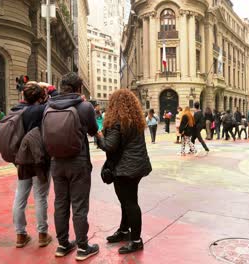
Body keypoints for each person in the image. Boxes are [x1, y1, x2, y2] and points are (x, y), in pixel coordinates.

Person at [44, 73, 99, 260]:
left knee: (60, 203)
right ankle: (83, 247)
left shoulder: (48, 107)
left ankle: (62, 245)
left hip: (56, 162)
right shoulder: (85, 107)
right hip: (79, 161)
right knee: (79, 205)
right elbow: (93, 131)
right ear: (79, 88)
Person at [96, 89, 152, 254]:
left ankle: (136, 240)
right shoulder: (134, 120)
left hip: (125, 168)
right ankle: (124, 230)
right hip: (137, 166)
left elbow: (109, 146)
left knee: (130, 203)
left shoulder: (117, 121)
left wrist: (98, 136)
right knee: (128, 201)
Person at [10, 81, 53, 249]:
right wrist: (48, 89)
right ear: (40, 96)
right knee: (40, 197)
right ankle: (42, 234)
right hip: (40, 158)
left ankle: (20, 235)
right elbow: (54, 100)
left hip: (23, 158)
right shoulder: (43, 110)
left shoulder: (18, 111)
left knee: (20, 197)